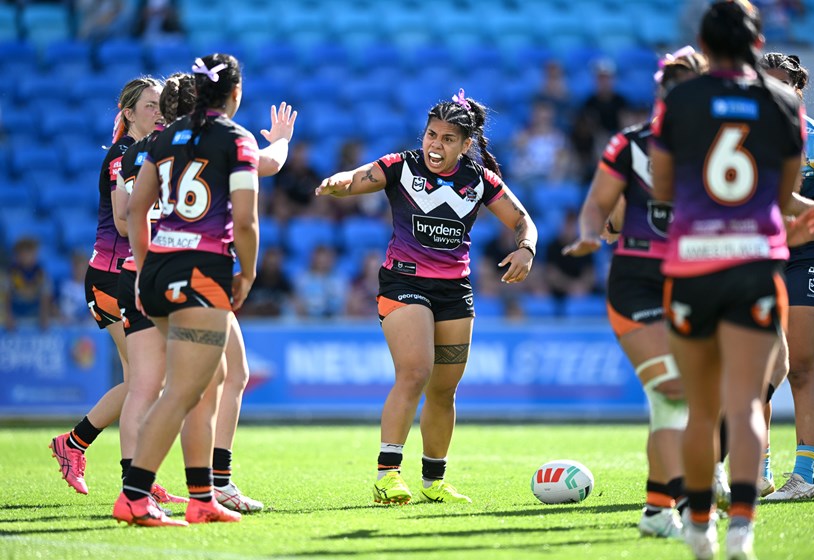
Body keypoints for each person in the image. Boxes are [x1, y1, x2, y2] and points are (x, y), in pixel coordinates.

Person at [316, 88, 537, 505]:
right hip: (404, 282)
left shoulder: (481, 180)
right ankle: (387, 475)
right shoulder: (401, 165)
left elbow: (523, 220)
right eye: (431, 135)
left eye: (448, 139)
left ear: (466, 145)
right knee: (415, 372)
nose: (436, 145)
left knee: (443, 390)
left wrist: (527, 248)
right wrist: (340, 183)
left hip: (455, 290)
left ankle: (434, 481)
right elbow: (360, 177)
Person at [648, 2, 813, 557]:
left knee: (701, 407)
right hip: (756, 264)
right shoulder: (785, 102)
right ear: (756, 38)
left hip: (694, 263)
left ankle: (699, 526)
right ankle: (742, 525)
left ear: (704, 42)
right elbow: (785, 194)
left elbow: (663, 186)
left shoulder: (680, 99)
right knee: (745, 402)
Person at [114, 72, 294, 514]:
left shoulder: (143, 151)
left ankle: (202, 494)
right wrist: (284, 139)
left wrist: (143, 267)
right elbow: (266, 171)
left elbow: (127, 214)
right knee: (187, 388)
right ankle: (144, 491)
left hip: (152, 270)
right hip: (198, 272)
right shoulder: (223, 139)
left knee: (207, 381)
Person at [563, 47, 708, 539]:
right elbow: (596, 205)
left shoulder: (721, 146)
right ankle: (692, 504)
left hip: (698, 278)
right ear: (660, 91)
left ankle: (655, 510)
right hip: (638, 279)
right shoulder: (628, 145)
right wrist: (588, 233)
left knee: (677, 403)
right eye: (672, 82)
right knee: (674, 389)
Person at [49, 76, 162, 496]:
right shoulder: (124, 156)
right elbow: (122, 219)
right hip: (112, 277)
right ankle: (84, 449)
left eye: (161, 105)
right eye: (149, 105)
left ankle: (134, 477)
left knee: (144, 380)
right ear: (129, 113)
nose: (158, 112)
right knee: (145, 380)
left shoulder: (148, 153)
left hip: (127, 275)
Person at [758, 52, 814, 501]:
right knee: (757, 370)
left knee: (802, 367)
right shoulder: (738, 134)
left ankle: (804, 476)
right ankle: (760, 472)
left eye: (781, 81)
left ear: (798, 87)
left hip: (801, 259)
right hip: (752, 259)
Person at [3, 237, 52, 331]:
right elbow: (6, 295)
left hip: (35, 312)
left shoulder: (40, 273)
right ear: (17, 256)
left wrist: (44, 315)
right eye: (23, 254)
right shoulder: (12, 273)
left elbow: (45, 296)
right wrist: (8, 316)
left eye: (29, 254)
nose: (26, 257)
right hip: (16, 312)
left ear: (35, 255)